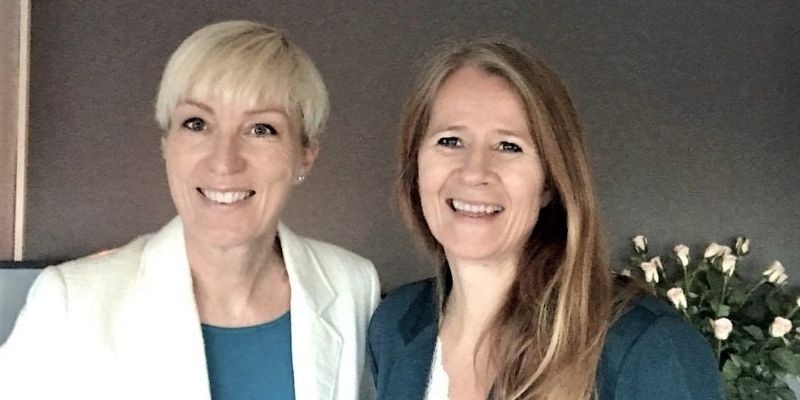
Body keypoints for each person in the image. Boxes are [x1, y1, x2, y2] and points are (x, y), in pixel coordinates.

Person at [0, 21, 380, 400]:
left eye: (261, 129)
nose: (224, 161)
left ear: (305, 155)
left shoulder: (352, 286)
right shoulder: (72, 302)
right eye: (197, 124)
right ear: (167, 143)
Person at [368, 37, 722, 400]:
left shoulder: (650, 349)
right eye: (450, 141)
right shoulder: (394, 325)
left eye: (508, 146)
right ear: (415, 165)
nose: (474, 172)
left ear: (550, 183)